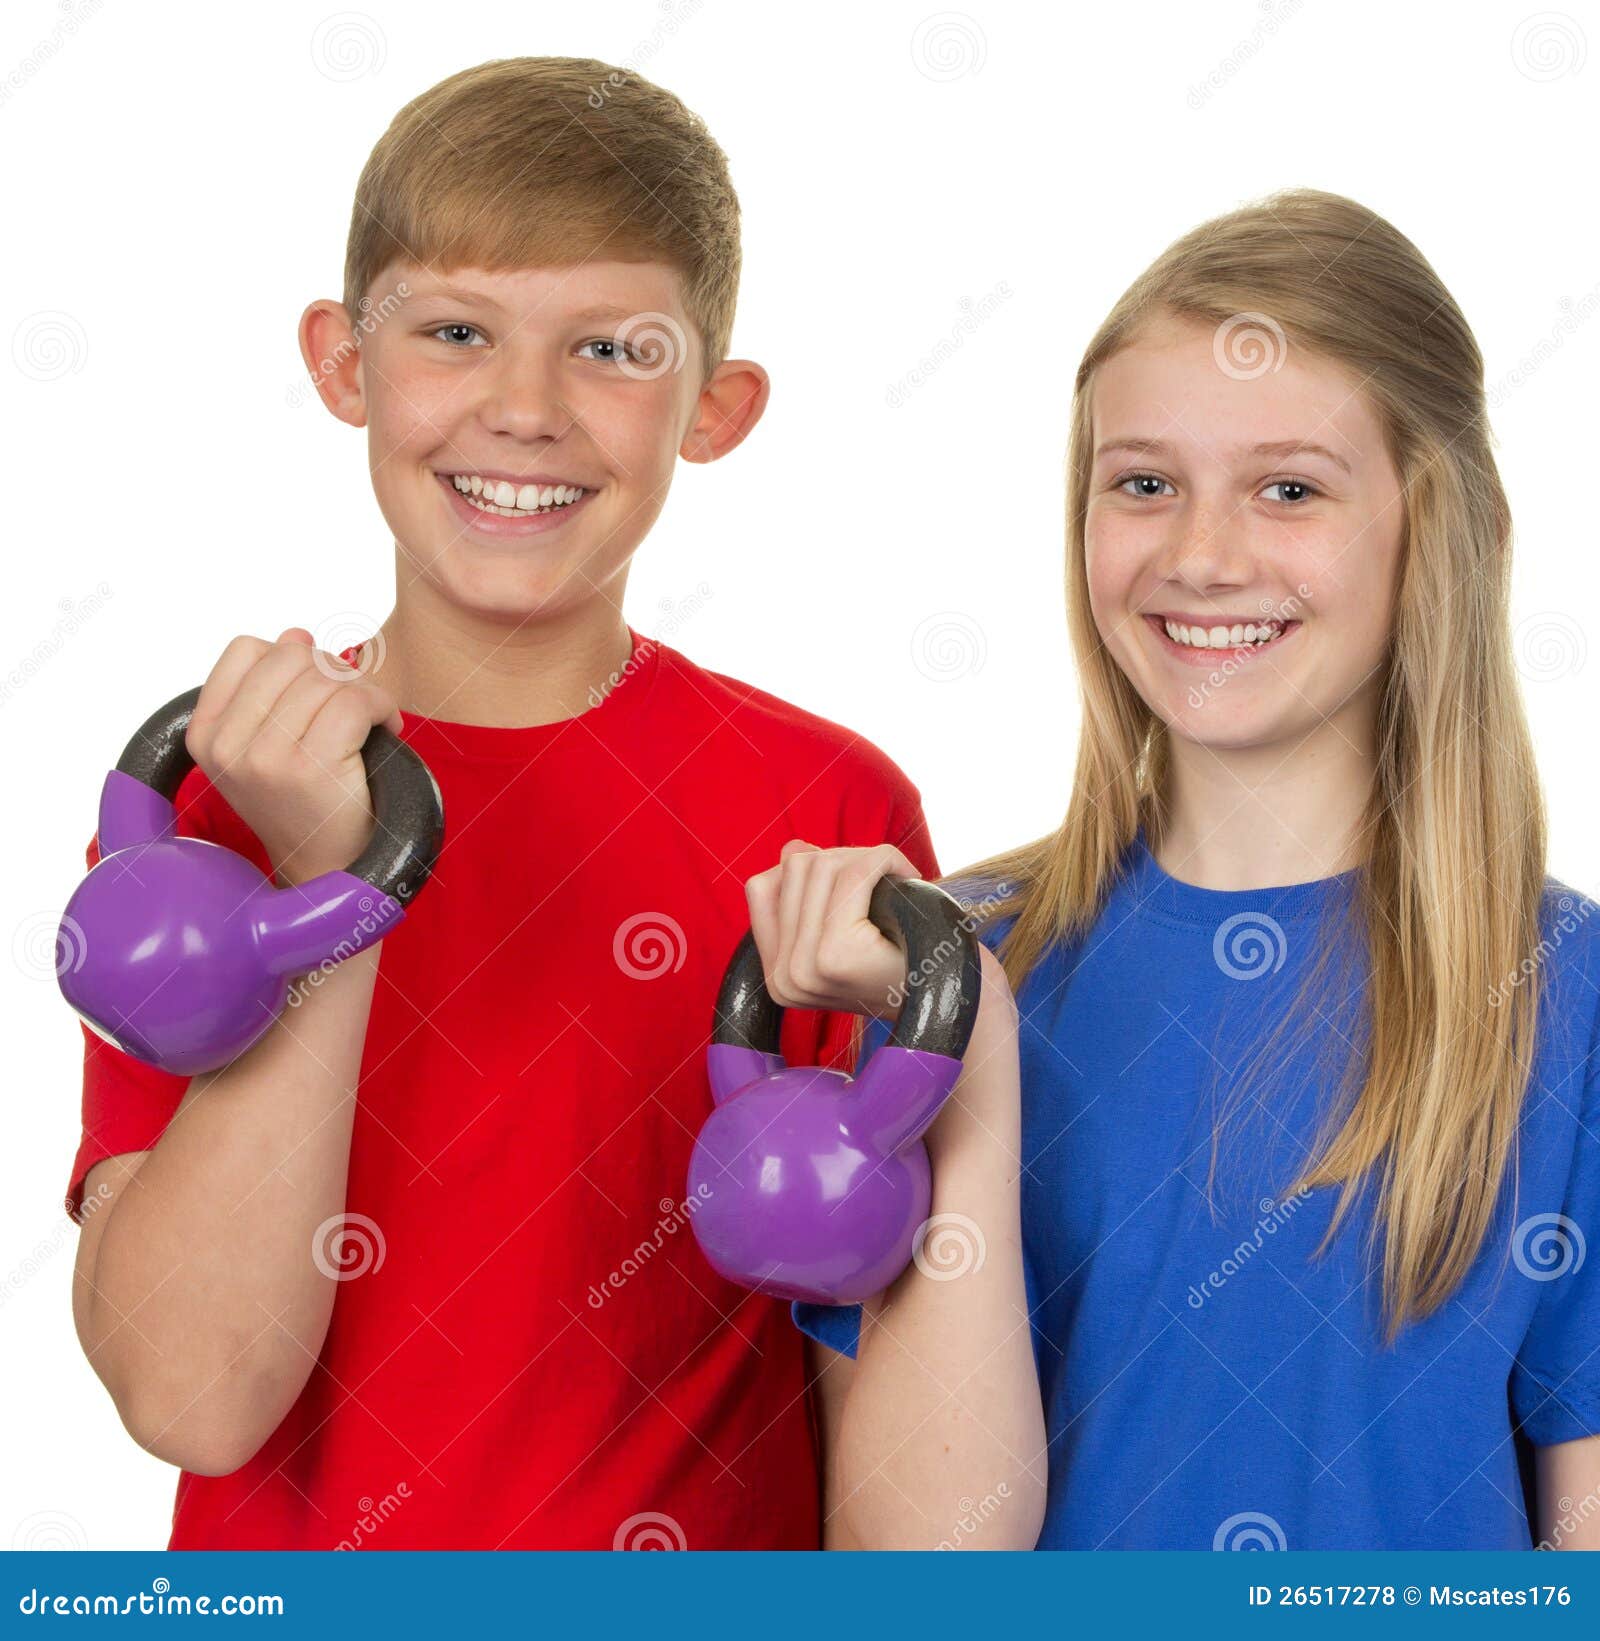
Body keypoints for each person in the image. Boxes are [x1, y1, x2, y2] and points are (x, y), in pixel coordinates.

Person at [65, 57, 937, 1551]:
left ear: (716, 408)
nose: (524, 410)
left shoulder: (825, 805)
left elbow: (894, 1393)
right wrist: (334, 876)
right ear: (344, 363)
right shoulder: (211, 796)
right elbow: (197, 1394)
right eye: (457, 333)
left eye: (610, 348)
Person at [757, 189, 1600, 1551]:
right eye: (1144, 483)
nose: (1203, 556)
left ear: (1440, 527)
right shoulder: (953, 965)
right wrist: (958, 1049)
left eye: (1289, 488)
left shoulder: (1565, 993)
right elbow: (923, 1572)